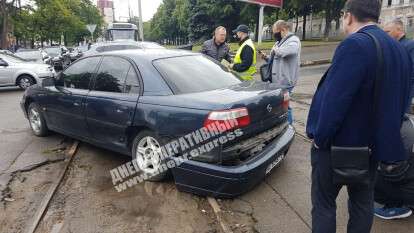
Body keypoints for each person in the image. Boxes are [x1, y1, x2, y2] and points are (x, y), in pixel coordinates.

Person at [306, 0, 411, 232]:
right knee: (362, 205)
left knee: (324, 205)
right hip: (372, 149)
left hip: (336, 148)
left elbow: (334, 102)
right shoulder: (398, 49)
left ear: (349, 16)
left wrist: (320, 139)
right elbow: (402, 101)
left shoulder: (354, 44)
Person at [260, 20, 301, 124]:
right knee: (280, 106)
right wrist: (267, 57)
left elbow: (285, 52)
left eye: (275, 32)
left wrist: (275, 49)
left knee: (285, 106)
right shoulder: (279, 42)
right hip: (277, 81)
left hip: (286, 81)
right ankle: (282, 124)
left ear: (283, 30)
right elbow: (276, 59)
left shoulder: (293, 40)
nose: (274, 35)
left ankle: (289, 126)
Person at [374, 116, 414, 219]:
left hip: (407, 189)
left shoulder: (391, 130)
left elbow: (395, 173)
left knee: (363, 173)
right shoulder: (409, 123)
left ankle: (396, 205)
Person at [384, 18, 414, 110]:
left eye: (387, 32)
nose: (385, 35)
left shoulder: (411, 45)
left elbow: (411, 75)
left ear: (399, 29)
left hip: (401, 99)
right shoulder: (391, 45)